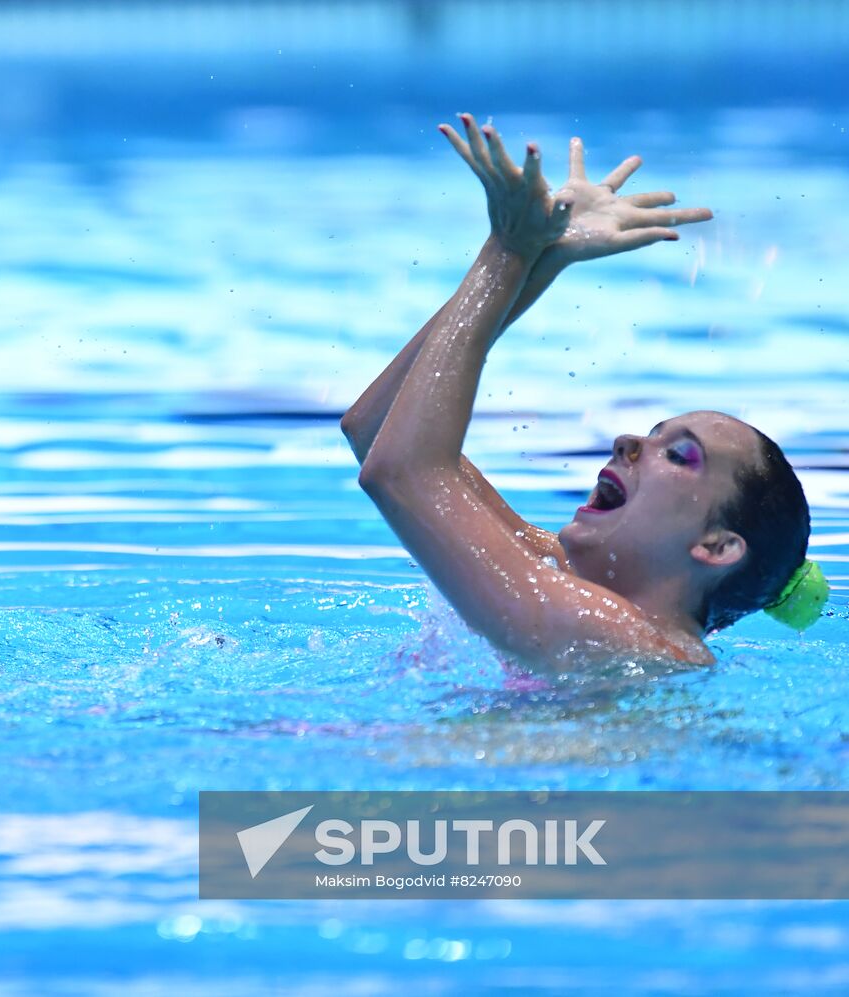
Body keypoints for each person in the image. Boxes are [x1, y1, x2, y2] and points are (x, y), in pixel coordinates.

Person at [342, 115, 827, 672]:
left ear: (716, 547)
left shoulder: (627, 642)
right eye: (652, 436)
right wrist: (545, 255)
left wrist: (506, 254)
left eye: (680, 454)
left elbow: (404, 473)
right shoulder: (581, 597)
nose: (627, 443)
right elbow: (378, 430)